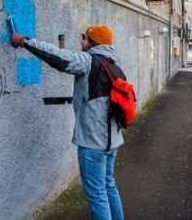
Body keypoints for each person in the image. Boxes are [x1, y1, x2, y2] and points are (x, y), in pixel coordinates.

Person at [12, 25, 125, 220]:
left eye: (84, 38)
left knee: (97, 194)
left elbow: (58, 57)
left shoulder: (89, 61)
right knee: (108, 186)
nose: (81, 42)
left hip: (93, 144)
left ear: (93, 42)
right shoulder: (114, 65)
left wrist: (25, 41)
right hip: (112, 142)